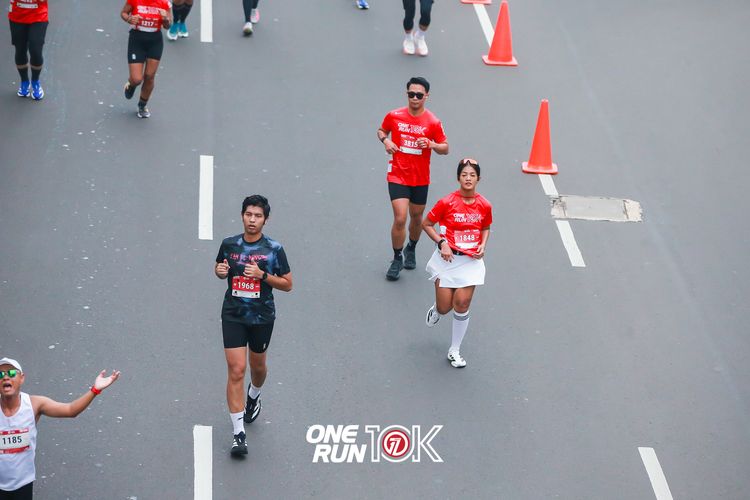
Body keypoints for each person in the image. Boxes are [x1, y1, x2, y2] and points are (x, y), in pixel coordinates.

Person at [214, 195, 292, 456]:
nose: (252, 220)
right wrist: (220, 272)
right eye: (248, 214)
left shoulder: (274, 249)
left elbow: (288, 284)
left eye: (258, 216)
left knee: (257, 368)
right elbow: (220, 267)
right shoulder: (229, 244)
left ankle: (254, 394)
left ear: (265, 220)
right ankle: (238, 434)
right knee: (237, 370)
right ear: (242, 216)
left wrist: (262, 275)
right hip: (233, 314)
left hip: (261, 317)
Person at [0, 357, 120, 499]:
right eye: (1, 374)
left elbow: (70, 410)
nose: (6, 377)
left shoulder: (34, 404)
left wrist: (95, 390)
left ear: (22, 378)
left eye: (11, 373)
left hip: (23, 485)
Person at [421, 159, 492, 368]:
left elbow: (485, 227)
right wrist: (442, 243)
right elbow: (427, 224)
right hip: (447, 260)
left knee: (462, 303)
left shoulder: (485, 205)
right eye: (464, 175)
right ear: (458, 178)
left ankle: (454, 350)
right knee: (445, 308)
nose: (468, 178)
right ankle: (436, 309)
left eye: (472, 175)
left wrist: (483, 245)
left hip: (470, 262)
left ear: (478, 179)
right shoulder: (446, 202)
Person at [377, 76, 448, 281]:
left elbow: (445, 148)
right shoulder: (394, 115)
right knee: (400, 218)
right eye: (411, 94)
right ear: (407, 94)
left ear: (426, 96)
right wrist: (386, 141)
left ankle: (411, 247)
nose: (414, 98)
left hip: (420, 178)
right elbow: (381, 130)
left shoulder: (433, 122)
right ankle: (397, 258)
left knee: (416, 218)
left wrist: (432, 145)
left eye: (419, 95)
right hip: (397, 174)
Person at [120, 0, 172, 118]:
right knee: (137, 79)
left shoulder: (164, 3)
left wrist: (165, 19)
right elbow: (123, 13)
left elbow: (168, 26)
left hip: (155, 41)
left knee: (149, 76)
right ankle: (131, 84)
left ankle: (142, 105)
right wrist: (129, 19)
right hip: (137, 39)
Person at [7, 0, 50, 100]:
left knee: (36, 51)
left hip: (38, 15)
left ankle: (35, 82)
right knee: (20, 50)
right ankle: (24, 81)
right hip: (17, 15)